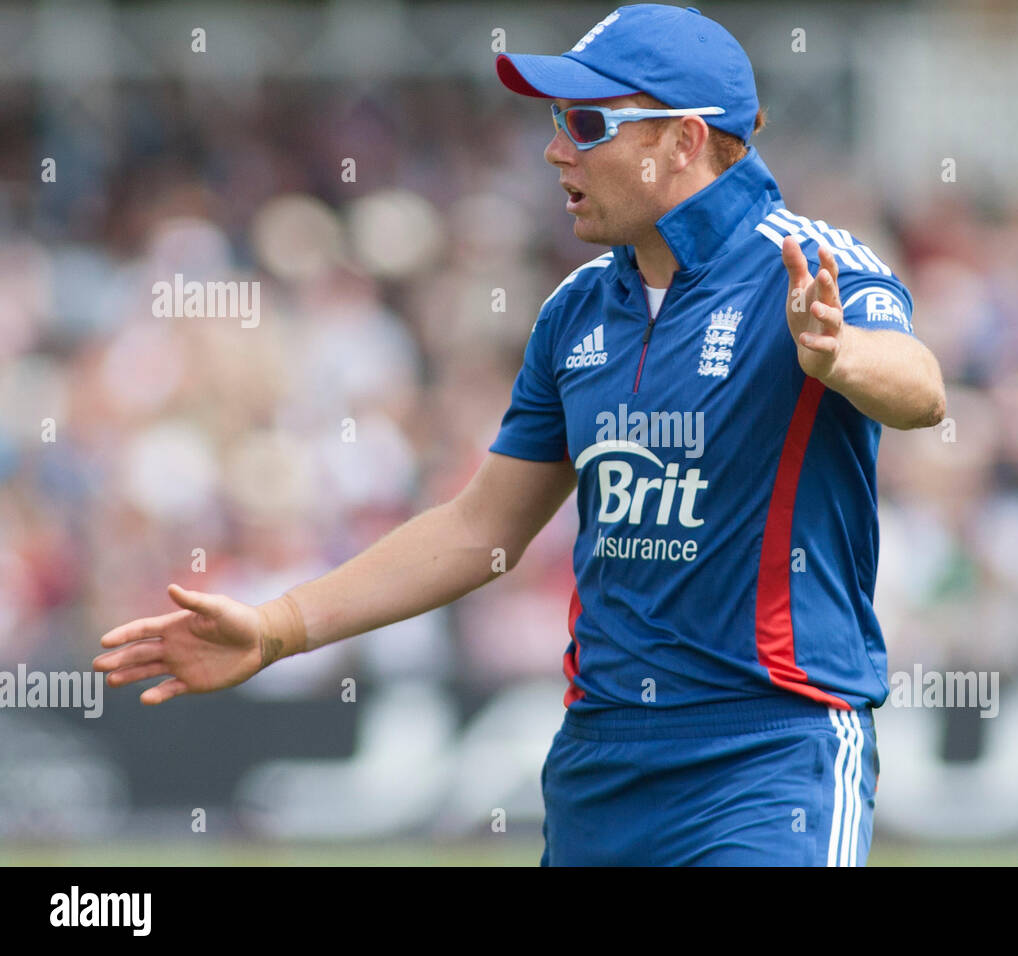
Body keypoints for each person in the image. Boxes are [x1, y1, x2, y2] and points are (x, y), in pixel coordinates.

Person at [94, 3, 945, 866]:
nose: (555, 151)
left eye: (585, 123)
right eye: (554, 122)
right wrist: (275, 628)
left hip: (771, 756)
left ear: (683, 142)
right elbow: (481, 531)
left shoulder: (810, 266)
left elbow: (920, 390)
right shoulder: (575, 310)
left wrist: (839, 358)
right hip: (600, 765)